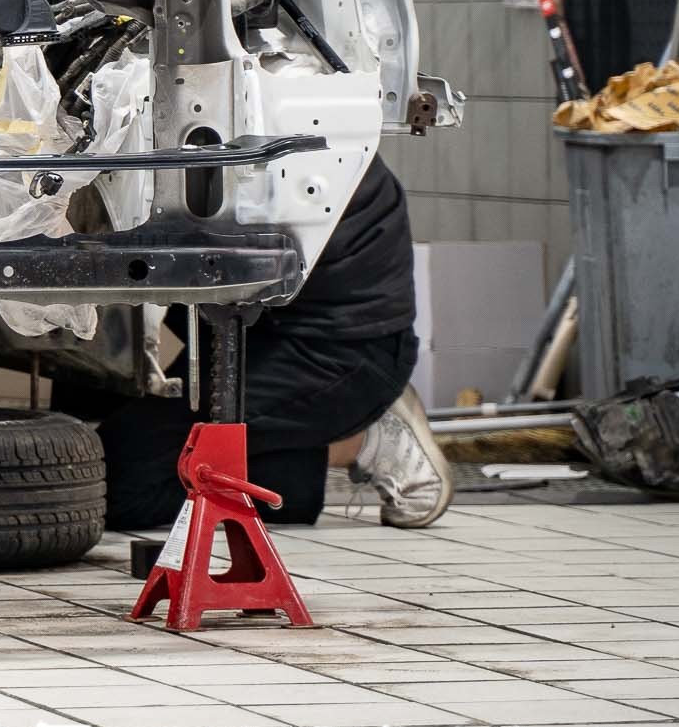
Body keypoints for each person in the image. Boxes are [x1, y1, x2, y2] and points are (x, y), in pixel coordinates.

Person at [59, 155, 454, 531]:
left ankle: (363, 440)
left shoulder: (257, 120)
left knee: (109, 482)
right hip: (264, 315)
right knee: (98, 450)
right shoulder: (240, 108)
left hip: (338, 352)